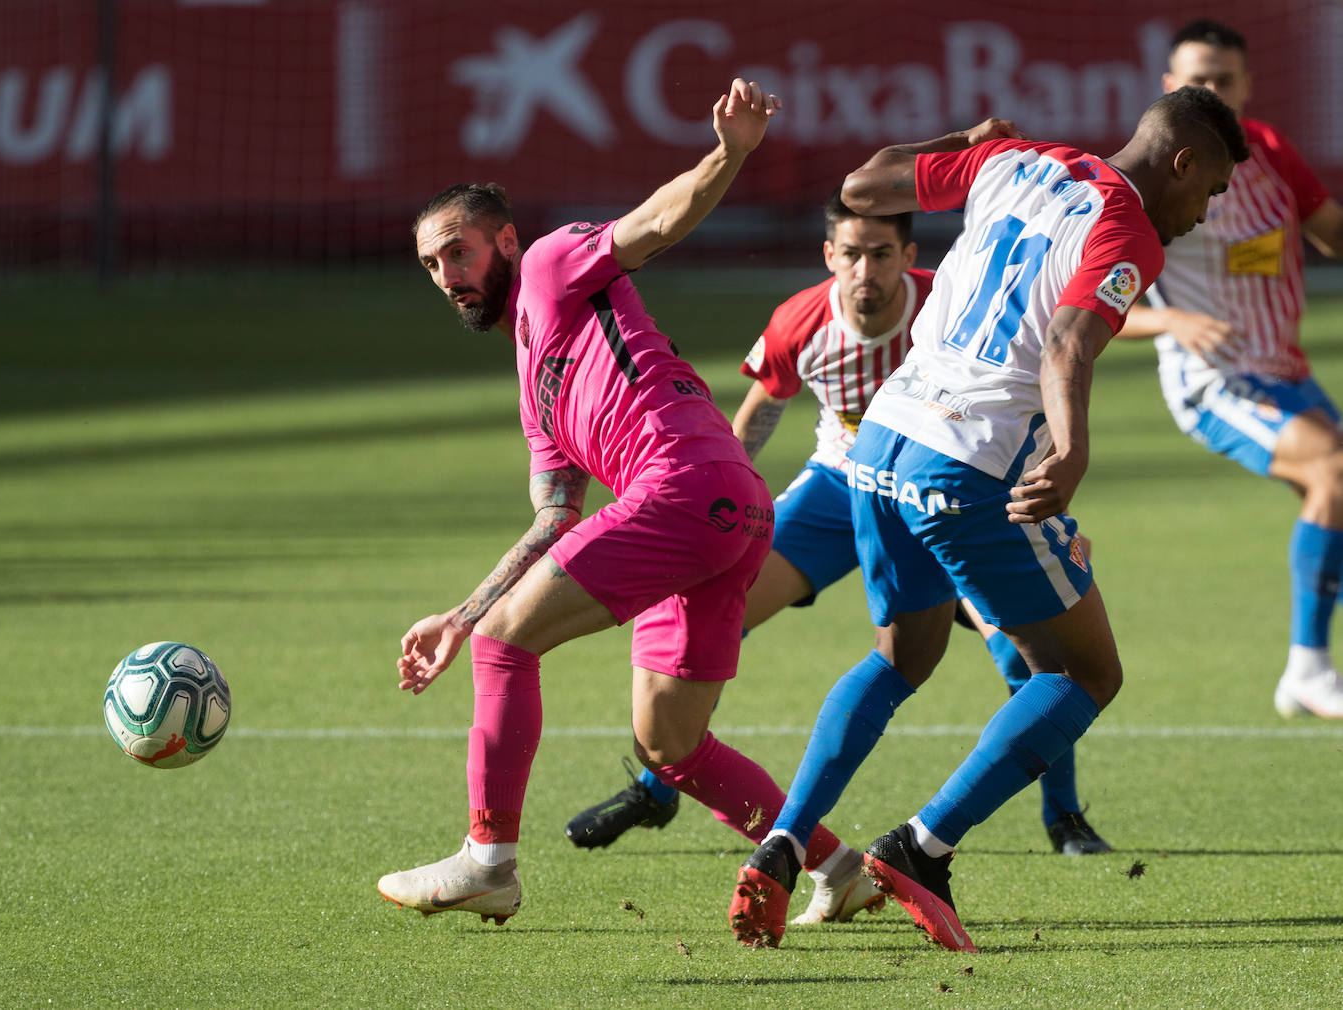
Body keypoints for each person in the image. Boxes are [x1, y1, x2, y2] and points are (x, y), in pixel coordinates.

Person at [728, 86, 1247, 951]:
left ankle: (784, 842)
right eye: (1213, 188)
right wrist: (1073, 452)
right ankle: (920, 848)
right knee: (1083, 673)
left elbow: (863, 187)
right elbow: (1068, 342)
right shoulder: (1129, 230)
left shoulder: (1013, 159)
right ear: (1183, 161)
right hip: (967, 459)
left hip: (881, 441)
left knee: (905, 653)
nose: (1209, 209)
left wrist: (962, 137)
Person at [376, 79, 859, 927]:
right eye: (431, 265)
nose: (448, 275)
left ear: (505, 241)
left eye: (459, 251)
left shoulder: (555, 264)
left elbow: (658, 222)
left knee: (506, 649)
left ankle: (489, 859)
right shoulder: (534, 389)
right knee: (671, 746)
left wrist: (731, 153)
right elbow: (554, 520)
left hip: (683, 485)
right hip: (732, 508)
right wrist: (462, 611)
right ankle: (836, 867)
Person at [564, 195, 1112, 900]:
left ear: (909, 258)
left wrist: (1048, 523)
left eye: (881, 254)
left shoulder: (947, 306)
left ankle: (1063, 816)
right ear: (830, 257)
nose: (865, 271)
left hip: (939, 487)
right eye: (850, 254)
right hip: (835, 491)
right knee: (708, 614)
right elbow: (754, 420)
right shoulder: (802, 321)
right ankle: (662, 780)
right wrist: (718, 514)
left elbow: (1024, 407)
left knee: (1029, 655)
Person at [1120, 20, 1343, 719]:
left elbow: (1331, 233)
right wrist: (1174, 321)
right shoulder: (1149, 179)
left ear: (1247, 87)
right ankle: (1307, 669)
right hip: (1213, 381)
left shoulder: (1270, 150)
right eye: (1196, 79)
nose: (1210, 91)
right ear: (1167, 89)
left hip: (1287, 373)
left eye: (1223, 80)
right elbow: (1089, 304)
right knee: (1333, 472)